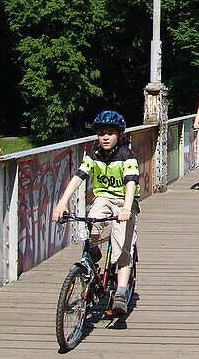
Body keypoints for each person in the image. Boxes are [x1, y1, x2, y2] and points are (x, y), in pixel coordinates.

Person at [52, 110, 139, 316]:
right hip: (103, 199)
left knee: (121, 246)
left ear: (120, 135)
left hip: (123, 201)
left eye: (110, 133)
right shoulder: (94, 156)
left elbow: (131, 183)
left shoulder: (127, 156)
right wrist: (62, 203)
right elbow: (78, 177)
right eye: (101, 134)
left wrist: (126, 208)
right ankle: (93, 251)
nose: (106, 137)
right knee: (92, 220)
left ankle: (119, 292)